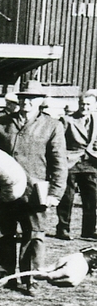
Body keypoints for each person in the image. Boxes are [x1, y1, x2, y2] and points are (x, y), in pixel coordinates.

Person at [0, 80, 68, 295]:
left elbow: (59, 163)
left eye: (32, 98)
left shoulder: (52, 126)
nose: (26, 102)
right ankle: (4, 276)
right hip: (4, 190)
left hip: (34, 192)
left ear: (41, 102)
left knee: (35, 236)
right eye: (23, 98)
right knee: (3, 233)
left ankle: (31, 279)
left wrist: (55, 193)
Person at [55, 88, 97, 241]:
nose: (84, 107)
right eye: (82, 104)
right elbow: (58, 142)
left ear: (94, 106)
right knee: (67, 198)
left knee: (92, 198)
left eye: (88, 105)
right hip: (70, 162)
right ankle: (63, 228)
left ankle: (89, 230)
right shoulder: (67, 120)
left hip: (91, 163)